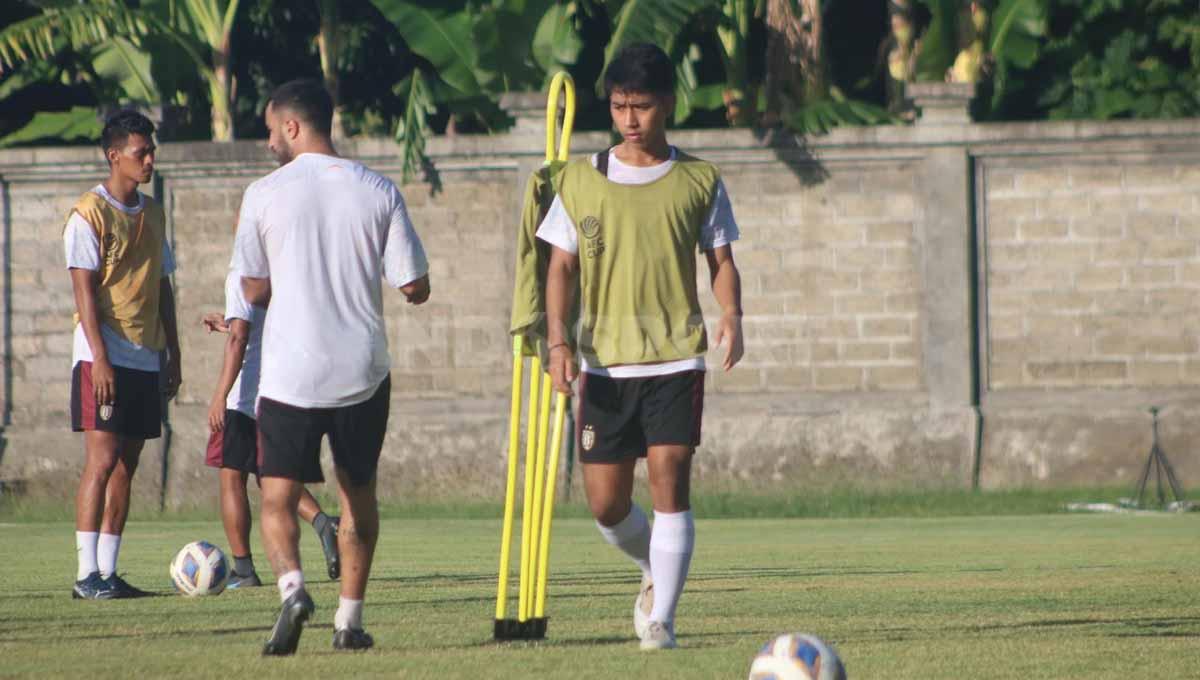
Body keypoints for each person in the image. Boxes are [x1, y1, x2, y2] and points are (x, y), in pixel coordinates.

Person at [538, 43, 745, 650]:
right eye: (619, 106)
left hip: (676, 355)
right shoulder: (579, 179)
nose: (630, 119)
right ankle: (654, 567)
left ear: (668, 104)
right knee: (606, 504)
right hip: (604, 362)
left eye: (642, 106)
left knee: (669, 474)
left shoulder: (700, 179)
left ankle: (662, 621)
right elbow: (560, 268)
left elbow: (721, 260)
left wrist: (732, 314)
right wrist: (557, 341)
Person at [231, 79, 430, 655]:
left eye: (272, 129)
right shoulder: (378, 189)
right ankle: (349, 621)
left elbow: (251, 287)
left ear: (293, 126)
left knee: (276, 497)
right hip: (360, 371)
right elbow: (414, 285)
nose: (269, 141)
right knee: (357, 496)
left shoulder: (263, 194)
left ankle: (293, 590)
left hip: (290, 373)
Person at [66, 110, 183, 599]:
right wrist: (100, 359)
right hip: (104, 353)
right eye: (141, 152)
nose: (150, 160)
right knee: (102, 460)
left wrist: (173, 351)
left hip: (146, 353)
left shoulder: (153, 212)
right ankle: (85, 575)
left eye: (151, 151)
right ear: (115, 156)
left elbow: (163, 285)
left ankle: (108, 572)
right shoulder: (88, 213)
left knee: (127, 465)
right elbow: (84, 292)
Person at [201, 267, 341, 589]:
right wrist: (229, 323)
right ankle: (324, 524)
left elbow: (240, 338)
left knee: (231, 477)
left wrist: (220, 396)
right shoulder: (282, 271)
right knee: (270, 478)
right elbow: (262, 328)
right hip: (276, 394)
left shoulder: (241, 273)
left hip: (242, 397)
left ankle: (243, 569)